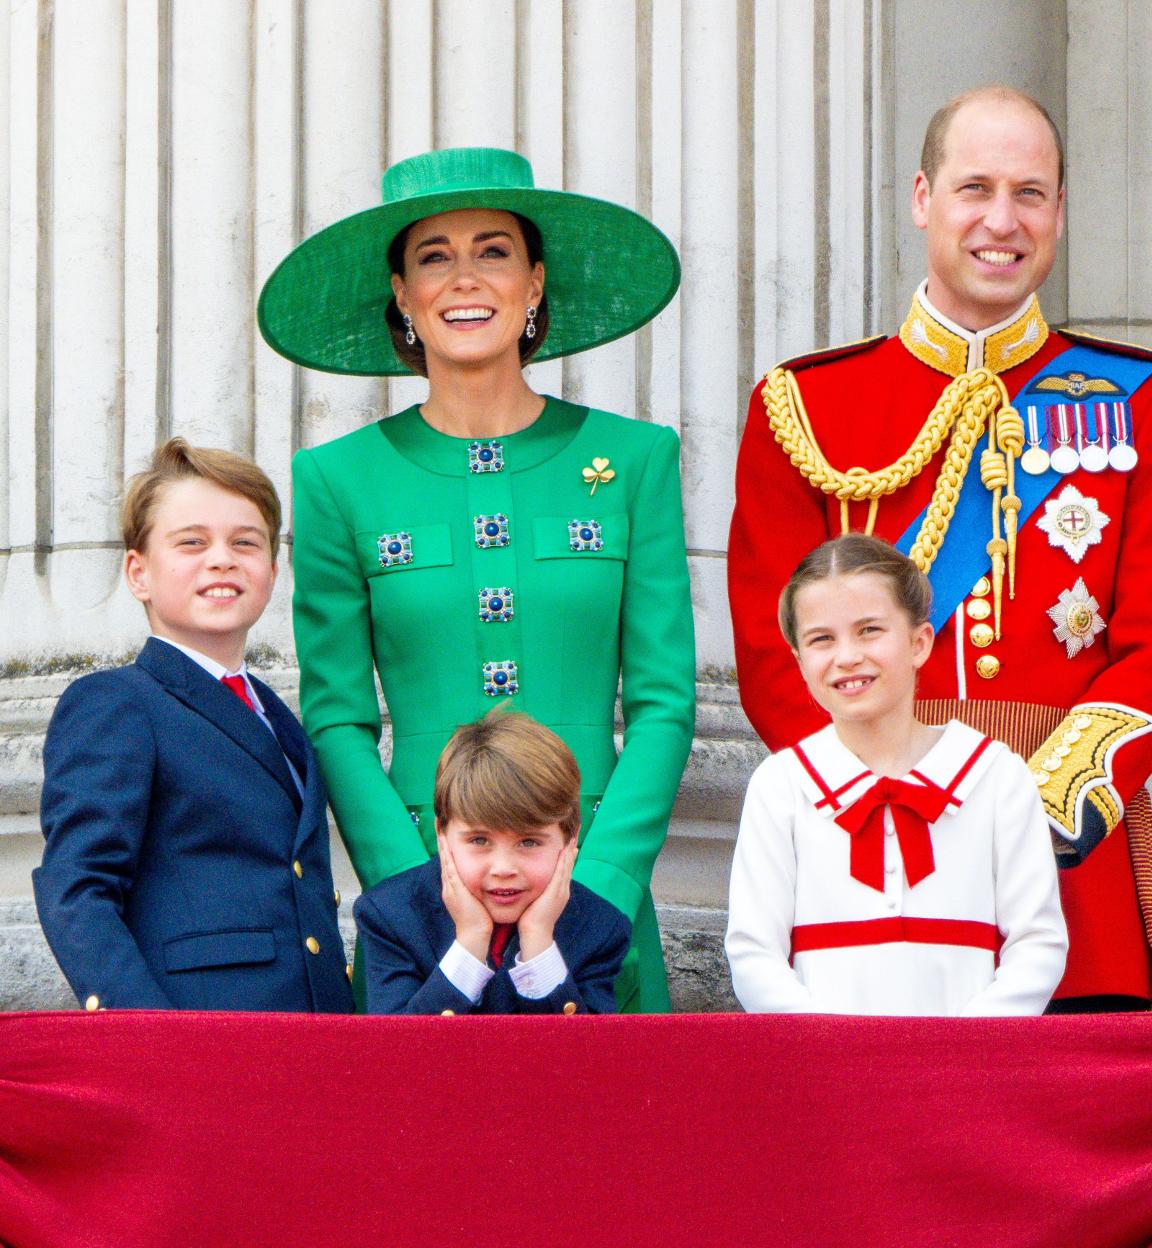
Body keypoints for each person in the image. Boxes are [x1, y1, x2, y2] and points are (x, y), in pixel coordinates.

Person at [727, 85, 1152, 1011]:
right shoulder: (805, 407)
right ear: (922, 199)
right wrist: (876, 793)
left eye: (1031, 193)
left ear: (1061, 211)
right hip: (863, 862)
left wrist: (1043, 805)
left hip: (1069, 866)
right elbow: (770, 644)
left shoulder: (1145, 400)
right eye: (974, 188)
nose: (1003, 220)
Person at [257, 147, 695, 1012]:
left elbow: (664, 701)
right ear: (402, 292)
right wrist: (417, 891)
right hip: (423, 898)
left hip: (591, 872)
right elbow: (338, 716)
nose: (466, 278)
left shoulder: (637, 459)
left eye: (493, 250)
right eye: (434, 256)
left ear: (535, 282)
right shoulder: (336, 478)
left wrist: (600, 879)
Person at [34, 440, 353, 1013]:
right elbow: (78, 888)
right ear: (139, 572)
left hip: (309, 1034)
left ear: (273, 571)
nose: (222, 558)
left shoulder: (277, 718)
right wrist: (151, 1036)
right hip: (198, 1032)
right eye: (192, 543)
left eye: (245, 542)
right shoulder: (116, 702)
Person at [725, 535, 1067, 1015]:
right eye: (822, 639)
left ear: (919, 643)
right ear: (800, 662)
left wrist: (967, 1050)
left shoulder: (996, 776)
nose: (847, 656)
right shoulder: (781, 786)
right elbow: (752, 952)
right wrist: (832, 1050)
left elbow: (1038, 942)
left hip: (970, 1071)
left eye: (869, 630)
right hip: (828, 1072)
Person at [355, 710, 630, 1015]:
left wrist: (538, 941)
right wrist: (470, 943)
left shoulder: (600, 927)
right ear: (442, 834)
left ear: (569, 839)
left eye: (529, 842)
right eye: (479, 841)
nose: (503, 868)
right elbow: (396, 1055)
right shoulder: (390, 915)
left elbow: (587, 1058)